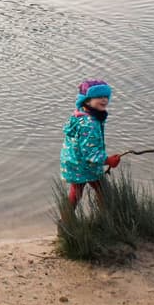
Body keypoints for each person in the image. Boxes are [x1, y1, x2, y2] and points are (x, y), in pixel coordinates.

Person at [60, 79, 121, 215]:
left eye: (106, 97)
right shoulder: (89, 123)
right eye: (99, 97)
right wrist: (107, 160)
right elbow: (89, 152)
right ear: (87, 100)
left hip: (74, 160)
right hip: (83, 164)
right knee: (101, 191)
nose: (104, 100)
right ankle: (105, 216)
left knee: (78, 192)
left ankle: (66, 221)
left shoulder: (81, 114)